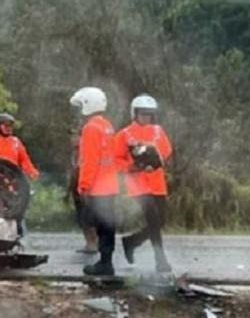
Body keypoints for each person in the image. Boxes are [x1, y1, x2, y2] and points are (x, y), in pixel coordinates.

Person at [114, 94, 173, 273]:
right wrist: (130, 167)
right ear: (135, 113)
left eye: (149, 114)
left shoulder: (158, 131)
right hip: (138, 184)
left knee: (160, 220)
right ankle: (160, 259)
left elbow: (166, 151)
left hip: (157, 182)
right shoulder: (124, 134)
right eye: (142, 114)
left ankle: (132, 241)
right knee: (153, 218)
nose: (146, 117)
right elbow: (115, 158)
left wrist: (155, 159)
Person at [70, 87, 118, 276]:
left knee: (99, 224)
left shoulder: (90, 128)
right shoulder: (107, 126)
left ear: (88, 105)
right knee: (108, 225)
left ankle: (105, 264)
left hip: (97, 187)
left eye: (81, 105)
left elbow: (89, 160)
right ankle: (106, 261)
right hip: (110, 185)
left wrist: (83, 186)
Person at [67, 126, 98, 254]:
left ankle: (94, 242)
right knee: (80, 217)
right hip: (76, 187)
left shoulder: (86, 151)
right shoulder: (73, 153)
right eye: (72, 136)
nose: (73, 139)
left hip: (86, 187)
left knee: (88, 216)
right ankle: (89, 242)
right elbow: (72, 173)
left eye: (76, 136)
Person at [0, 112, 40, 180]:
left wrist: (32, 172)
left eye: (10, 126)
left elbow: (25, 160)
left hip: (12, 177)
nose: (9, 128)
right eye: (6, 126)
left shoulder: (16, 142)